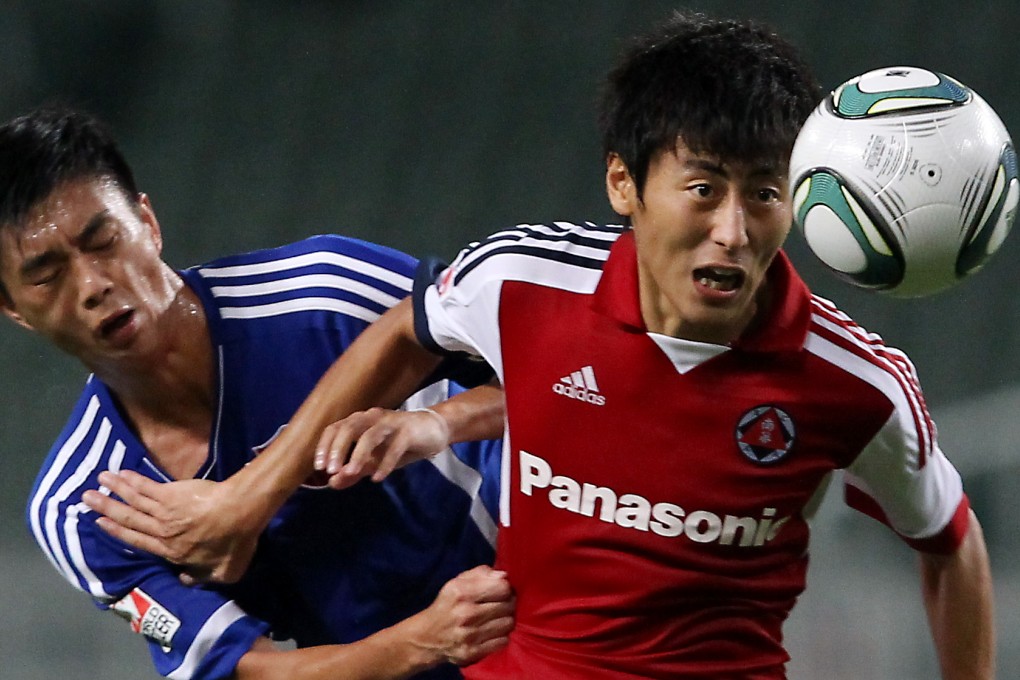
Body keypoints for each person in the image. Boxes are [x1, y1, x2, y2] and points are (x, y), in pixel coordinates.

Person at [85, 11, 996, 680]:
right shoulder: (521, 281)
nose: (733, 229)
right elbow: (409, 330)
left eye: (765, 193)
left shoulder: (857, 385)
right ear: (624, 184)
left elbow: (950, 543)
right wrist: (263, 489)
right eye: (704, 188)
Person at [2, 106, 514, 680]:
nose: (95, 285)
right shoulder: (83, 505)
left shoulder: (327, 291)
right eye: (47, 275)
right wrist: (425, 641)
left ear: (147, 222)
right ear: (12, 307)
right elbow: (253, 671)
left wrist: (438, 422)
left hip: (545, 596)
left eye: (104, 241)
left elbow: (569, 382)